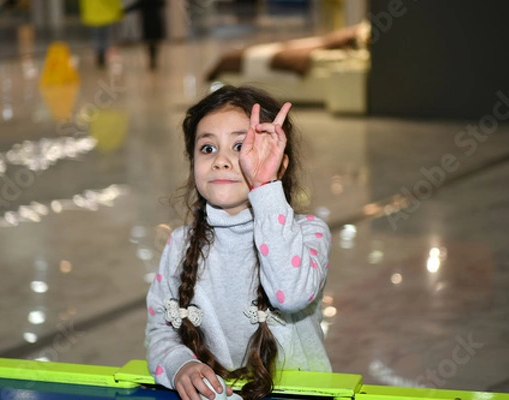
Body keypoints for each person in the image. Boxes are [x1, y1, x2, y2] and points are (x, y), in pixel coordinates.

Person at [145, 85, 332, 400]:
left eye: (241, 146)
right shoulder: (180, 244)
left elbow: (290, 296)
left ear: (280, 165)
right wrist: (180, 365)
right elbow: (160, 330)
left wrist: (264, 187)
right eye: (207, 148)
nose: (221, 160)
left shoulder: (309, 233)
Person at [79, 0, 123, 67]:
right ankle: (103, 52)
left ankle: (99, 52)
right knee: (104, 34)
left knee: (97, 35)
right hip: (105, 12)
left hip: (94, 12)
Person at [124, 0, 166, 70]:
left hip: (148, 22)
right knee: (153, 43)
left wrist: (122, 11)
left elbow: (135, 6)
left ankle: (152, 58)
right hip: (154, 21)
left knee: (151, 43)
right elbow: (162, 4)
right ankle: (153, 58)